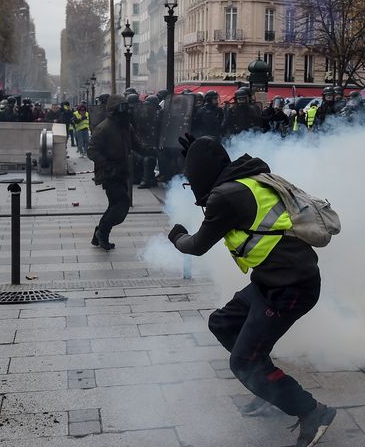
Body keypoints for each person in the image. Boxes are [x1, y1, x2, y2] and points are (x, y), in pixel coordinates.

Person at [167, 135, 336, 447]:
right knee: (223, 323)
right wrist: (200, 153)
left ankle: (313, 412)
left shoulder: (226, 197)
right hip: (270, 281)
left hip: (290, 288)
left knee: (243, 363)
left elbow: (197, 246)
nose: (192, 186)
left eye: (192, 178)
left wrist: (176, 236)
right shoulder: (248, 178)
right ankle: (268, 387)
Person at [87, 94, 146, 251]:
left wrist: (153, 151)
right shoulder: (103, 128)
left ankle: (99, 234)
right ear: (113, 110)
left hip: (121, 171)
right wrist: (107, 165)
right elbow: (92, 151)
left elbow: (137, 145)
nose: (124, 112)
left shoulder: (126, 126)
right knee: (121, 205)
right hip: (109, 173)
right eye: (121, 108)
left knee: (114, 205)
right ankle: (102, 234)